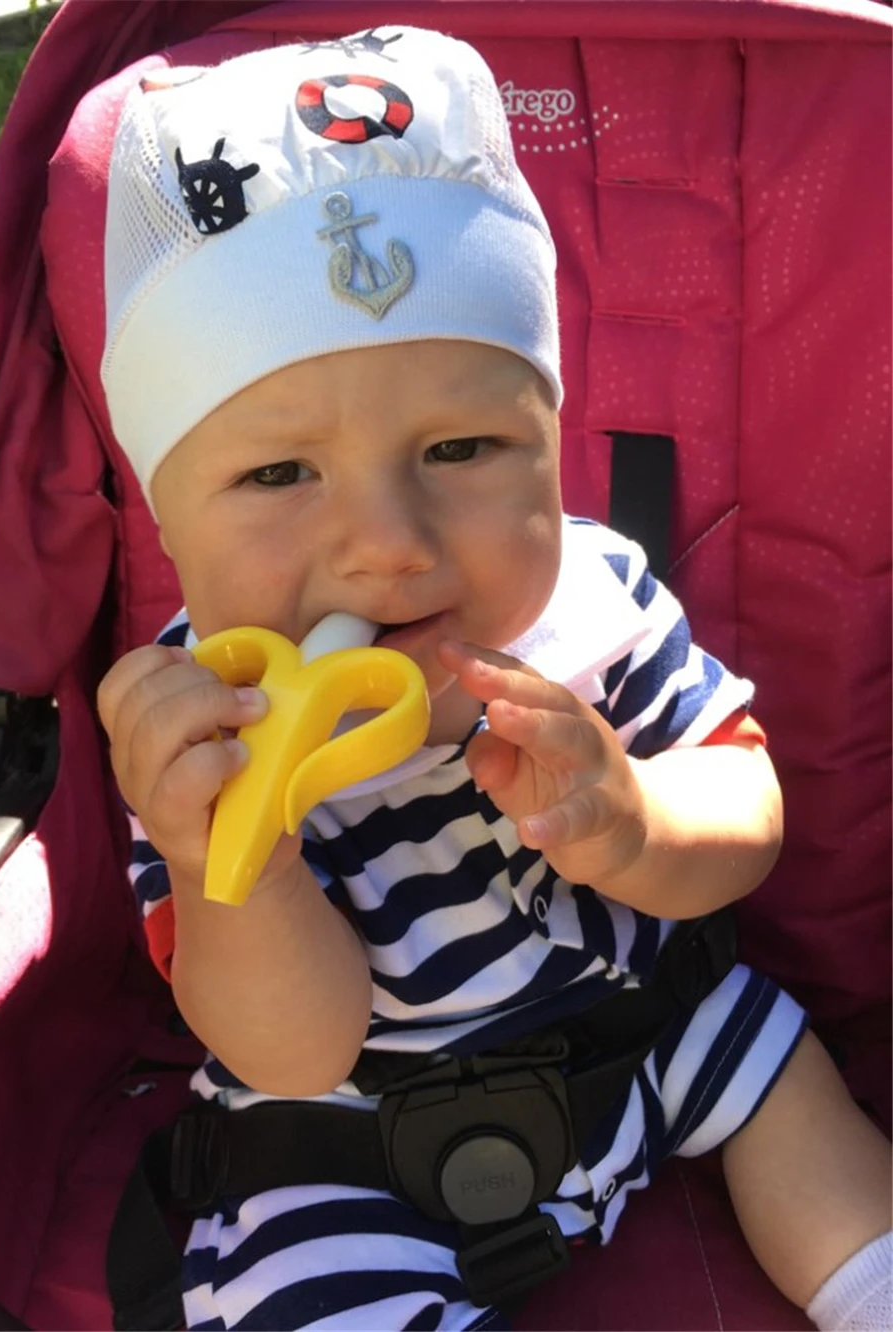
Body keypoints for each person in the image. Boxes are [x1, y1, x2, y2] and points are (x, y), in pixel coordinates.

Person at [95, 27, 891, 1332]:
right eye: (280, 475)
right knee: (300, 1283)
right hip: (356, 1134)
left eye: (460, 448)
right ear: (169, 526)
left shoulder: (590, 606)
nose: (389, 542)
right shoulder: (202, 728)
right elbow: (290, 1050)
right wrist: (239, 863)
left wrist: (633, 819)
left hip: (648, 1030)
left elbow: (746, 812)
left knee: (770, 1066)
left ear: (552, 439)